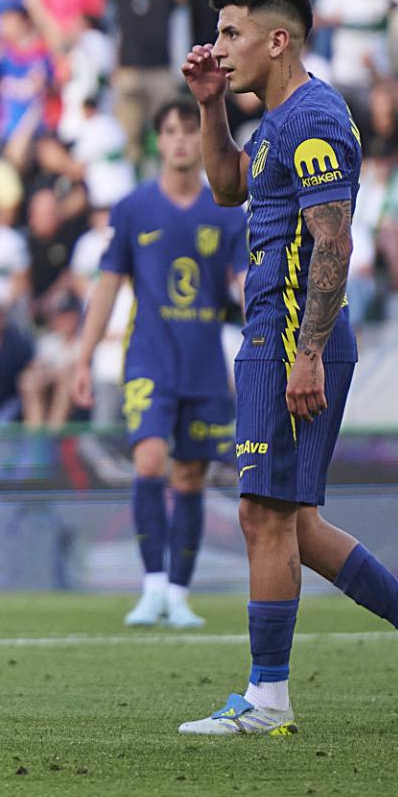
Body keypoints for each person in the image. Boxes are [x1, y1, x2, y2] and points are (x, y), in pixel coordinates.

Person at [178, 0, 398, 736]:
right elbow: (226, 188)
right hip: (271, 332)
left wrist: (306, 352)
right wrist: (210, 105)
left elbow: (334, 242)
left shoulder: (312, 119)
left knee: (262, 515)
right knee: (291, 521)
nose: (218, 46)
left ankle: (267, 699)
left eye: (232, 33)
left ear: (277, 40)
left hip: (289, 336)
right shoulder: (274, 120)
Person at [72, 100, 246, 630]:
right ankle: (150, 586)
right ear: (158, 141)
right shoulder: (132, 209)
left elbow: (246, 284)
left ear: (203, 138)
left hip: (204, 362)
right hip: (148, 357)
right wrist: (83, 357)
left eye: (190, 130)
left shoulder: (227, 211)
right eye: (170, 131)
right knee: (150, 459)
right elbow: (107, 286)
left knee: (191, 475)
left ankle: (178, 594)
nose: (180, 140)